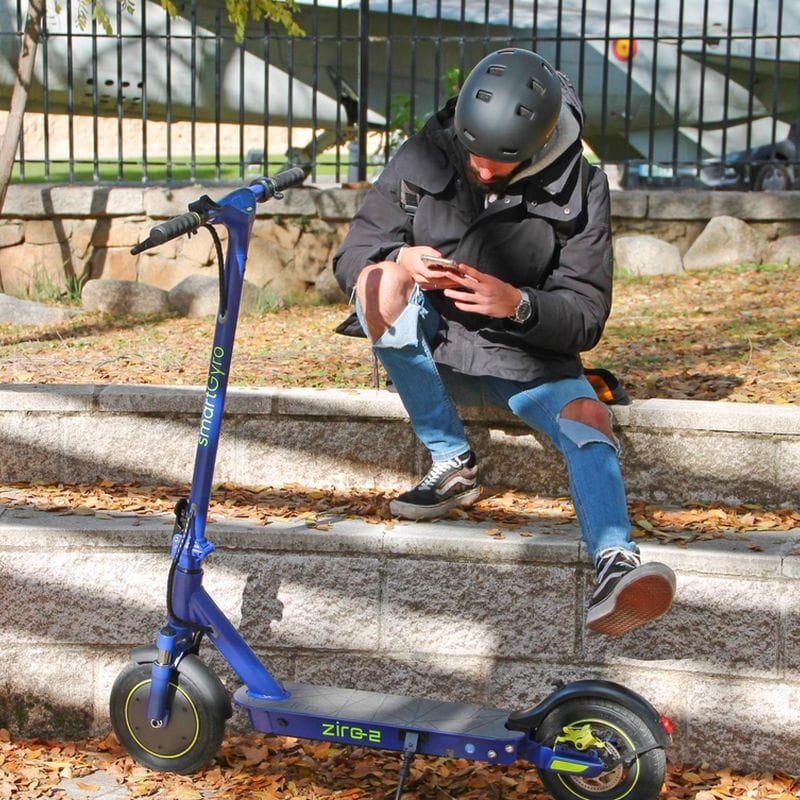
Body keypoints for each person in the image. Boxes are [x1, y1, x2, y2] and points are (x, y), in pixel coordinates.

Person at [332, 47, 675, 637]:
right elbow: (353, 254)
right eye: (474, 154)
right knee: (379, 282)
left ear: (538, 144)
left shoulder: (585, 186)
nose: (481, 170)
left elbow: (587, 315)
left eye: (499, 161)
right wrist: (401, 259)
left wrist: (518, 303)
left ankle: (616, 564)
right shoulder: (426, 151)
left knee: (589, 417)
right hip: (435, 352)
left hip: (526, 362)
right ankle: (452, 462)